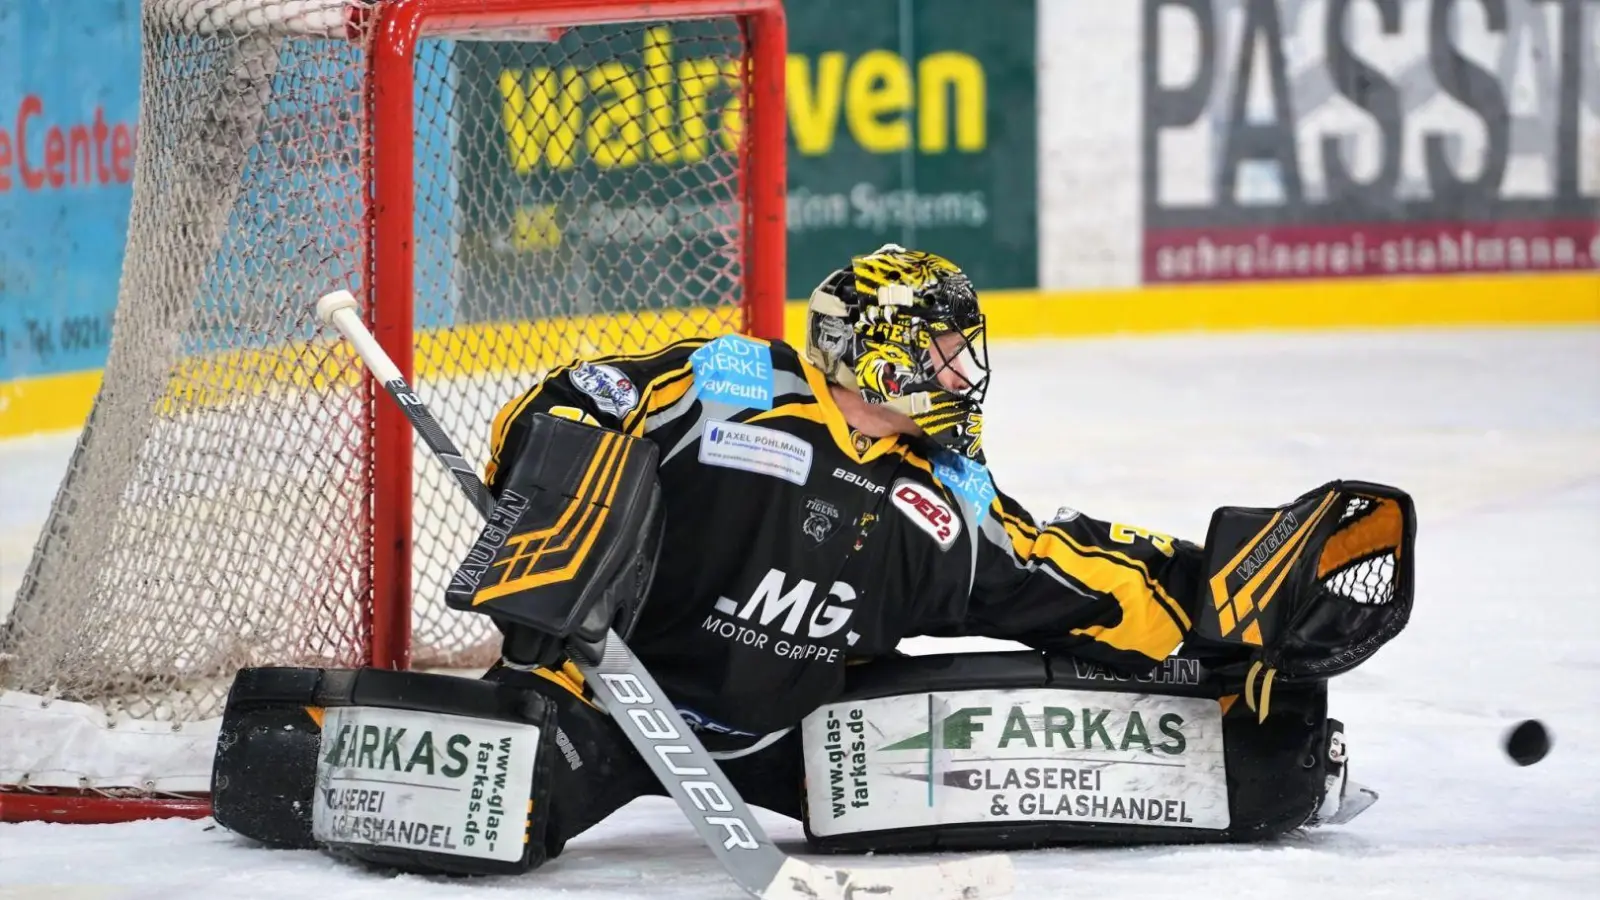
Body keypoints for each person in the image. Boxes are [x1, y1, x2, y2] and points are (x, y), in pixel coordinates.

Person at [211, 245, 1415, 874]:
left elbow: (1052, 573)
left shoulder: (938, 497)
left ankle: (1262, 763)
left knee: (1011, 772)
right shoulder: (740, 383)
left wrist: (1208, 602)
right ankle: (284, 739)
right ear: (879, 353)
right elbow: (581, 398)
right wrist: (561, 525)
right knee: (494, 814)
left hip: (804, 730)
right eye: (941, 353)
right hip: (611, 699)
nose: (960, 373)